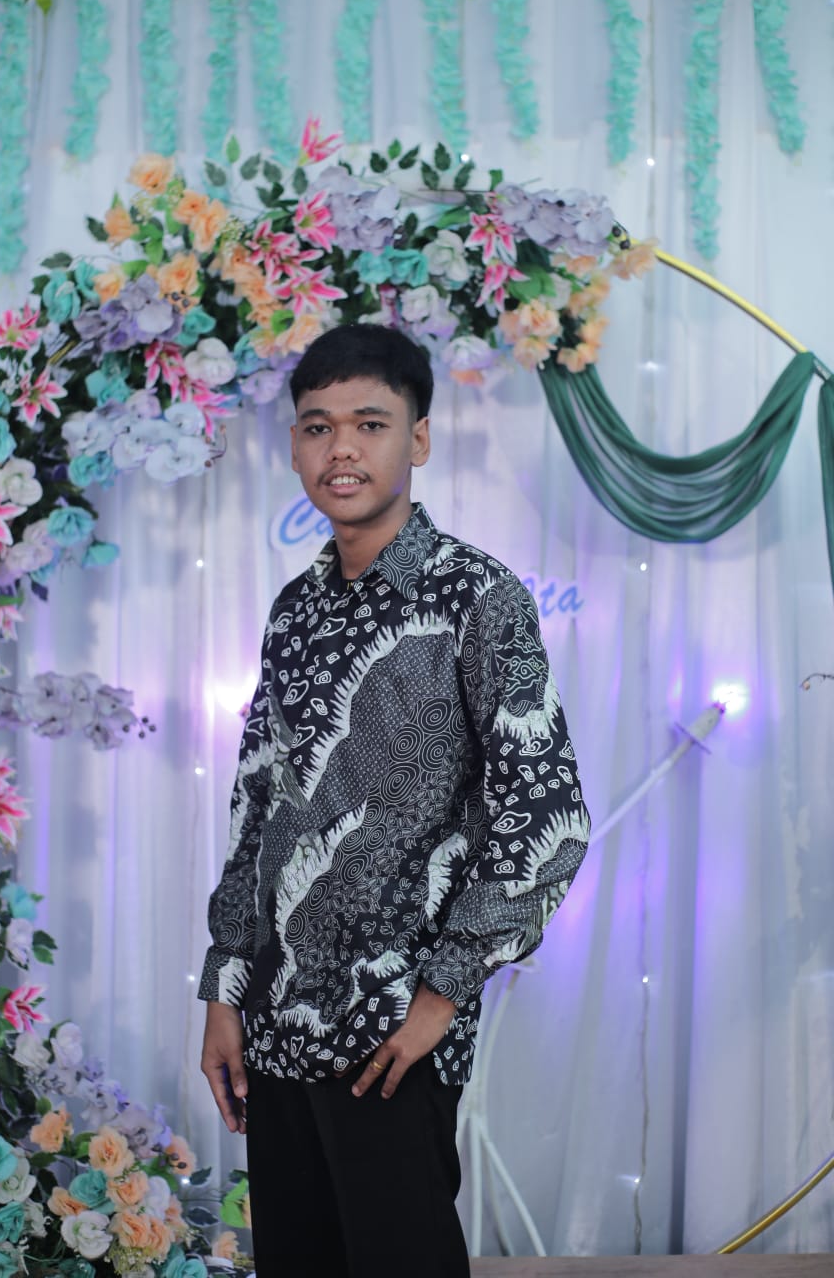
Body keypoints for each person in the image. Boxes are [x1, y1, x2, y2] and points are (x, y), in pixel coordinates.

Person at [198, 323, 590, 1277]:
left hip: (392, 1036)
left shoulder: (476, 597)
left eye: (369, 424)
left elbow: (546, 816)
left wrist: (442, 995)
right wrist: (224, 990)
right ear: (295, 447)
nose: (341, 448)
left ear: (417, 439)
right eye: (317, 426)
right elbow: (260, 810)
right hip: (276, 1025)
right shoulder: (294, 611)